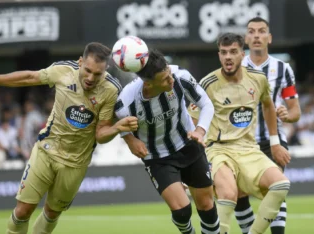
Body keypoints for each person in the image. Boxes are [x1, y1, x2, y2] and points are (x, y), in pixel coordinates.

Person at [0, 42, 138, 234]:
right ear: (80, 62)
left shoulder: (111, 90)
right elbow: (29, 77)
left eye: (97, 74)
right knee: (23, 211)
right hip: (47, 150)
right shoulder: (62, 71)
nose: (90, 78)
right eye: (87, 70)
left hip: (76, 163)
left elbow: (101, 134)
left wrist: (116, 128)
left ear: (105, 70)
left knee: (51, 214)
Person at [188, 33, 291, 234]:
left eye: (233, 52)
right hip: (218, 149)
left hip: (248, 149)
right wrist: (189, 164)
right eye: (224, 52)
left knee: (281, 185)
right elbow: (192, 124)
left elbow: (268, 106)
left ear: (242, 54)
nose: (228, 57)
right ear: (219, 55)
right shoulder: (207, 83)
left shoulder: (258, 79)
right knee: (228, 194)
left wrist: (275, 142)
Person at [115, 49, 220, 234]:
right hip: (157, 158)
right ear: (148, 84)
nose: (171, 80)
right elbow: (116, 123)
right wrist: (130, 140)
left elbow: (206, 104)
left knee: (206, 206)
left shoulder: (180, 76)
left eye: (169, 74)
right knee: (182, 211)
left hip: (188, 145)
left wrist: (200, 130)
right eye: (165, 79)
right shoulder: (127, 102)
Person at [233, 17, 301, 234]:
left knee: (276, 187)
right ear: (246, 38)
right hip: (241, 141)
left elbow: (295, 110)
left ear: (269, 38)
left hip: (274, 140)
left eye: (261, 31)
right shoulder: (234, 68)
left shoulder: (283, 69)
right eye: (251, 31)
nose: (256, 36)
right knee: (240, 194)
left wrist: (287, 116)